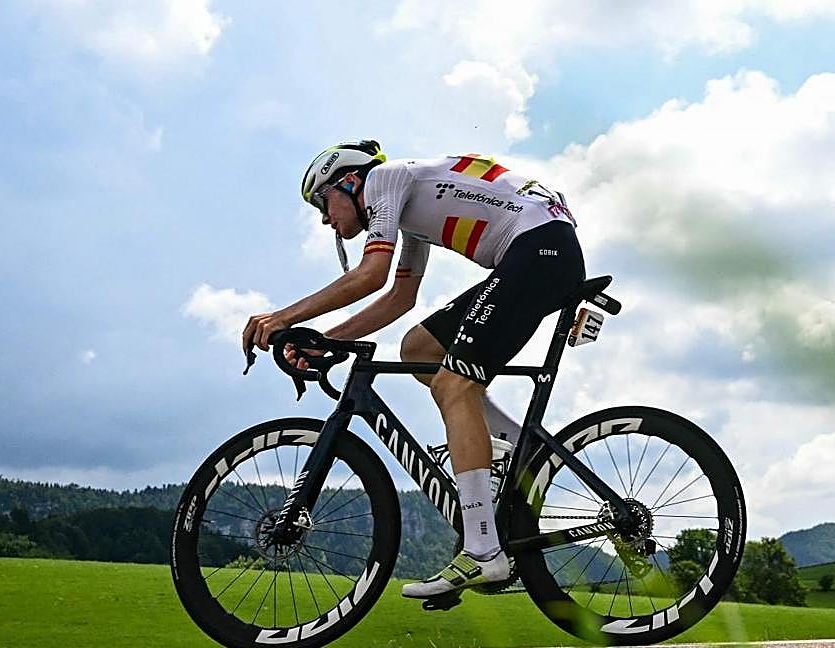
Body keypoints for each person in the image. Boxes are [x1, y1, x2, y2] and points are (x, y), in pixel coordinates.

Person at [241, 140, 585, 599]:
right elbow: (400, 297)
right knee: (419, 347)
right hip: (540, 247)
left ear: (349, 182)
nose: (325, 219)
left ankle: (484, 552)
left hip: (538, 248)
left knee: (454, 385)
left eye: (324, 202)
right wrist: (330, 341)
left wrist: (284, 318)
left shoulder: (385, 180)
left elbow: (370, 274)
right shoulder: (410, 208)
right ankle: (511, 448)